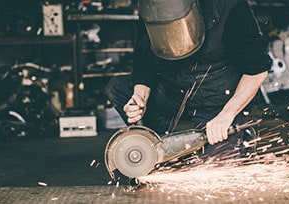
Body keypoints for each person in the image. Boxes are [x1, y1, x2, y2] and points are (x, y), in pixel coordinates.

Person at [105, 0, 272, 157]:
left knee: (214, 172)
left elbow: (257, 71)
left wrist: (225, 116)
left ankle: (240, 135)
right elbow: (144, 60)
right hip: (175, 91)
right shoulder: (151, 9)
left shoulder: (229, 8)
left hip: (217, 100)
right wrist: (139, 97)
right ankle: (159, 146)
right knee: (118, 87)